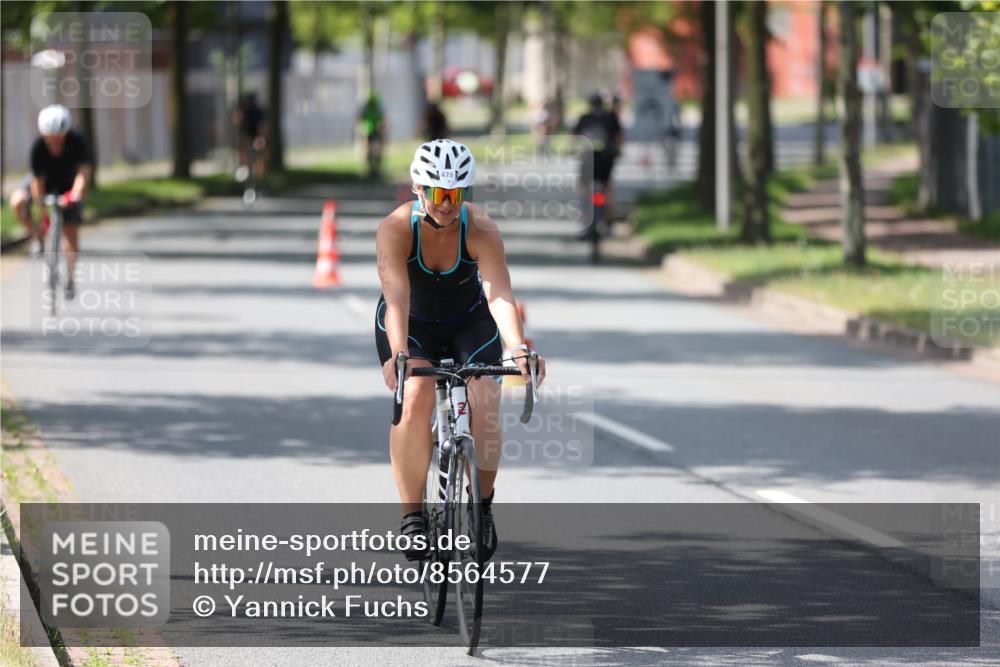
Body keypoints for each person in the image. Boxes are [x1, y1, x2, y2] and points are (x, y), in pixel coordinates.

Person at [375, 139, 547, 561]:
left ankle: (482, 507)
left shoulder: (481, 228)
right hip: (411, 323)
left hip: (469, 321)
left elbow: (499, 294)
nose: (447, 204)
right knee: (414, 394)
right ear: (418, 189)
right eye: (437, 193)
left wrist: (518, 348)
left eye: (456, 194)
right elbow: (396, 299)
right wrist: (398, 353)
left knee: (486, 398)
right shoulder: (395, 229)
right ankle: (412, 515)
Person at [9, 104, 91, 298]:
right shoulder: (37, 147)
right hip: (43, 183)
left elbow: (84, 172)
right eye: (50, 137)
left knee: (71, 234)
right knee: (17, 201)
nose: (55, 141)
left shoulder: (77, 142)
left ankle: (70, 278)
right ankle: (37, 237)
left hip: (68, 185)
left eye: (59, 136)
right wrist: (43, 213)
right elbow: (37, 181)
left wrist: (76, 193)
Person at [573, 93, 617, 236]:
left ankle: (584, 218)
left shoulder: (584, 118)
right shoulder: (611, 117)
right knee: (606, 187)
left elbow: (574, 138)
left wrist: (573, 150)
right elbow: (619, 138)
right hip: (606, 159)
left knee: (583, 188)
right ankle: (608, 221)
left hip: (587, 159)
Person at [233, 92, 267, 183]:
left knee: (259, 154)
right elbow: (237, 121)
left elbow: (261, 126)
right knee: (241, 148)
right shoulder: (244, 111)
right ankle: (243, 167)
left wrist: (261, 138)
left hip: (255, 136)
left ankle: (258, 173)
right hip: (247, 136)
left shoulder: (257, 111)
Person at [358, 93, 386, 179]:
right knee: (368, 150)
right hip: (368, 131)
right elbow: (360, 118)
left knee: (377, 150)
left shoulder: (377, 107)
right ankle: (370, 168)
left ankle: (376, 168)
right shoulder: (366, 108)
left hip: (375, 130)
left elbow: (382, 118)